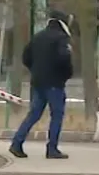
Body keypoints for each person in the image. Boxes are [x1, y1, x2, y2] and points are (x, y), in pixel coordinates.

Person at [9, 10, 74, 160]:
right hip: (55, 83)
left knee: (34, 114)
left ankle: (17, 143)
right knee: (57, 115)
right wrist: (66, 74)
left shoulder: (38, 36)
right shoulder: (61, 38)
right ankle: (52, 148)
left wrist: (35, 70)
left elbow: (26, 57)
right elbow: (64, 59)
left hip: (37, 81)